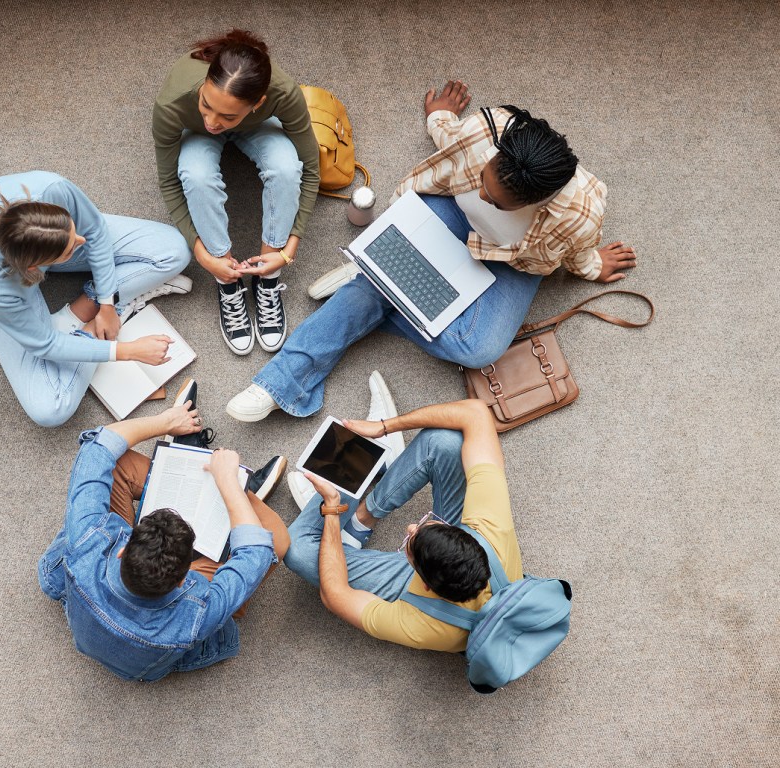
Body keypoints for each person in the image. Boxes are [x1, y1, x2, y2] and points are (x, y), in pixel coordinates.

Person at [225, 80, 637, 422]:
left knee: (478, 349)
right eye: (483, 180)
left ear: (536, 201)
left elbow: (577, 251)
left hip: (514, 259)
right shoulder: (487, 132)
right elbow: (450, 138)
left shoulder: (580, 214)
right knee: (391, 290)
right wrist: (440, 116)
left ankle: (374, 282)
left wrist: (593, 265)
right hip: (446, 213)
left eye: (495, 200)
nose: (481, 193)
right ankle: (281, 380)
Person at [37, 394, 290, 682]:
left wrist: (165, 421)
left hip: (81, 596)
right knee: (276, 536)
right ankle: (233, 490)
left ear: (123, 550)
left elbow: (99, 447)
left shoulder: (88, 543)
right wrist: (229, 483)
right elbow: (258, 551)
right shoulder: (194, 615)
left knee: (118, 462)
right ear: (185, 579)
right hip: (161, 655)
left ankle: (190, 468)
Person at [0, 170, 191, 427]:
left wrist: (107, 303)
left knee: (175, 251)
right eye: (70, 248)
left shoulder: (51, 189)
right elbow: (45, 344)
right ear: (36, 267)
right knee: (50, 410)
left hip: (41, 250)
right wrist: (126, 351)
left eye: (72, 230)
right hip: (7, 289)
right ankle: (90, 327)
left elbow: (94, 231)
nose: (81, 241)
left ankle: (88, 306)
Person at [283, 397, 520, 653]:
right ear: (466, 534)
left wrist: (331, 506)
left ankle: (349, 483)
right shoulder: (490, 524)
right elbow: (475, 412)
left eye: (410, 542)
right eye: (425, 523)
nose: (410, 527)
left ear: (424, 584)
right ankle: (360, 521)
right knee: (445, 442)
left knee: (297, 549)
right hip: (470, 567)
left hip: (441, 606)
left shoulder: (424, 625)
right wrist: (385, 426)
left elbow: (335, 596)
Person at [153, 28, 320, 355]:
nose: (213, 121)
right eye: (206, 104)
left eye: (226, 115)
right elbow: (169, 181)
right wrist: (203, 255)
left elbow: (310, 168)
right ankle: (226, 277)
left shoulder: (282, 94)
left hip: (257, 127)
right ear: (202, 88)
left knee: (287, 168)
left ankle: (267, 271)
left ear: (257, 103)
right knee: (195, 175)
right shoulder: (173, 104)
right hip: (194, 136)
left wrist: (287, 251)